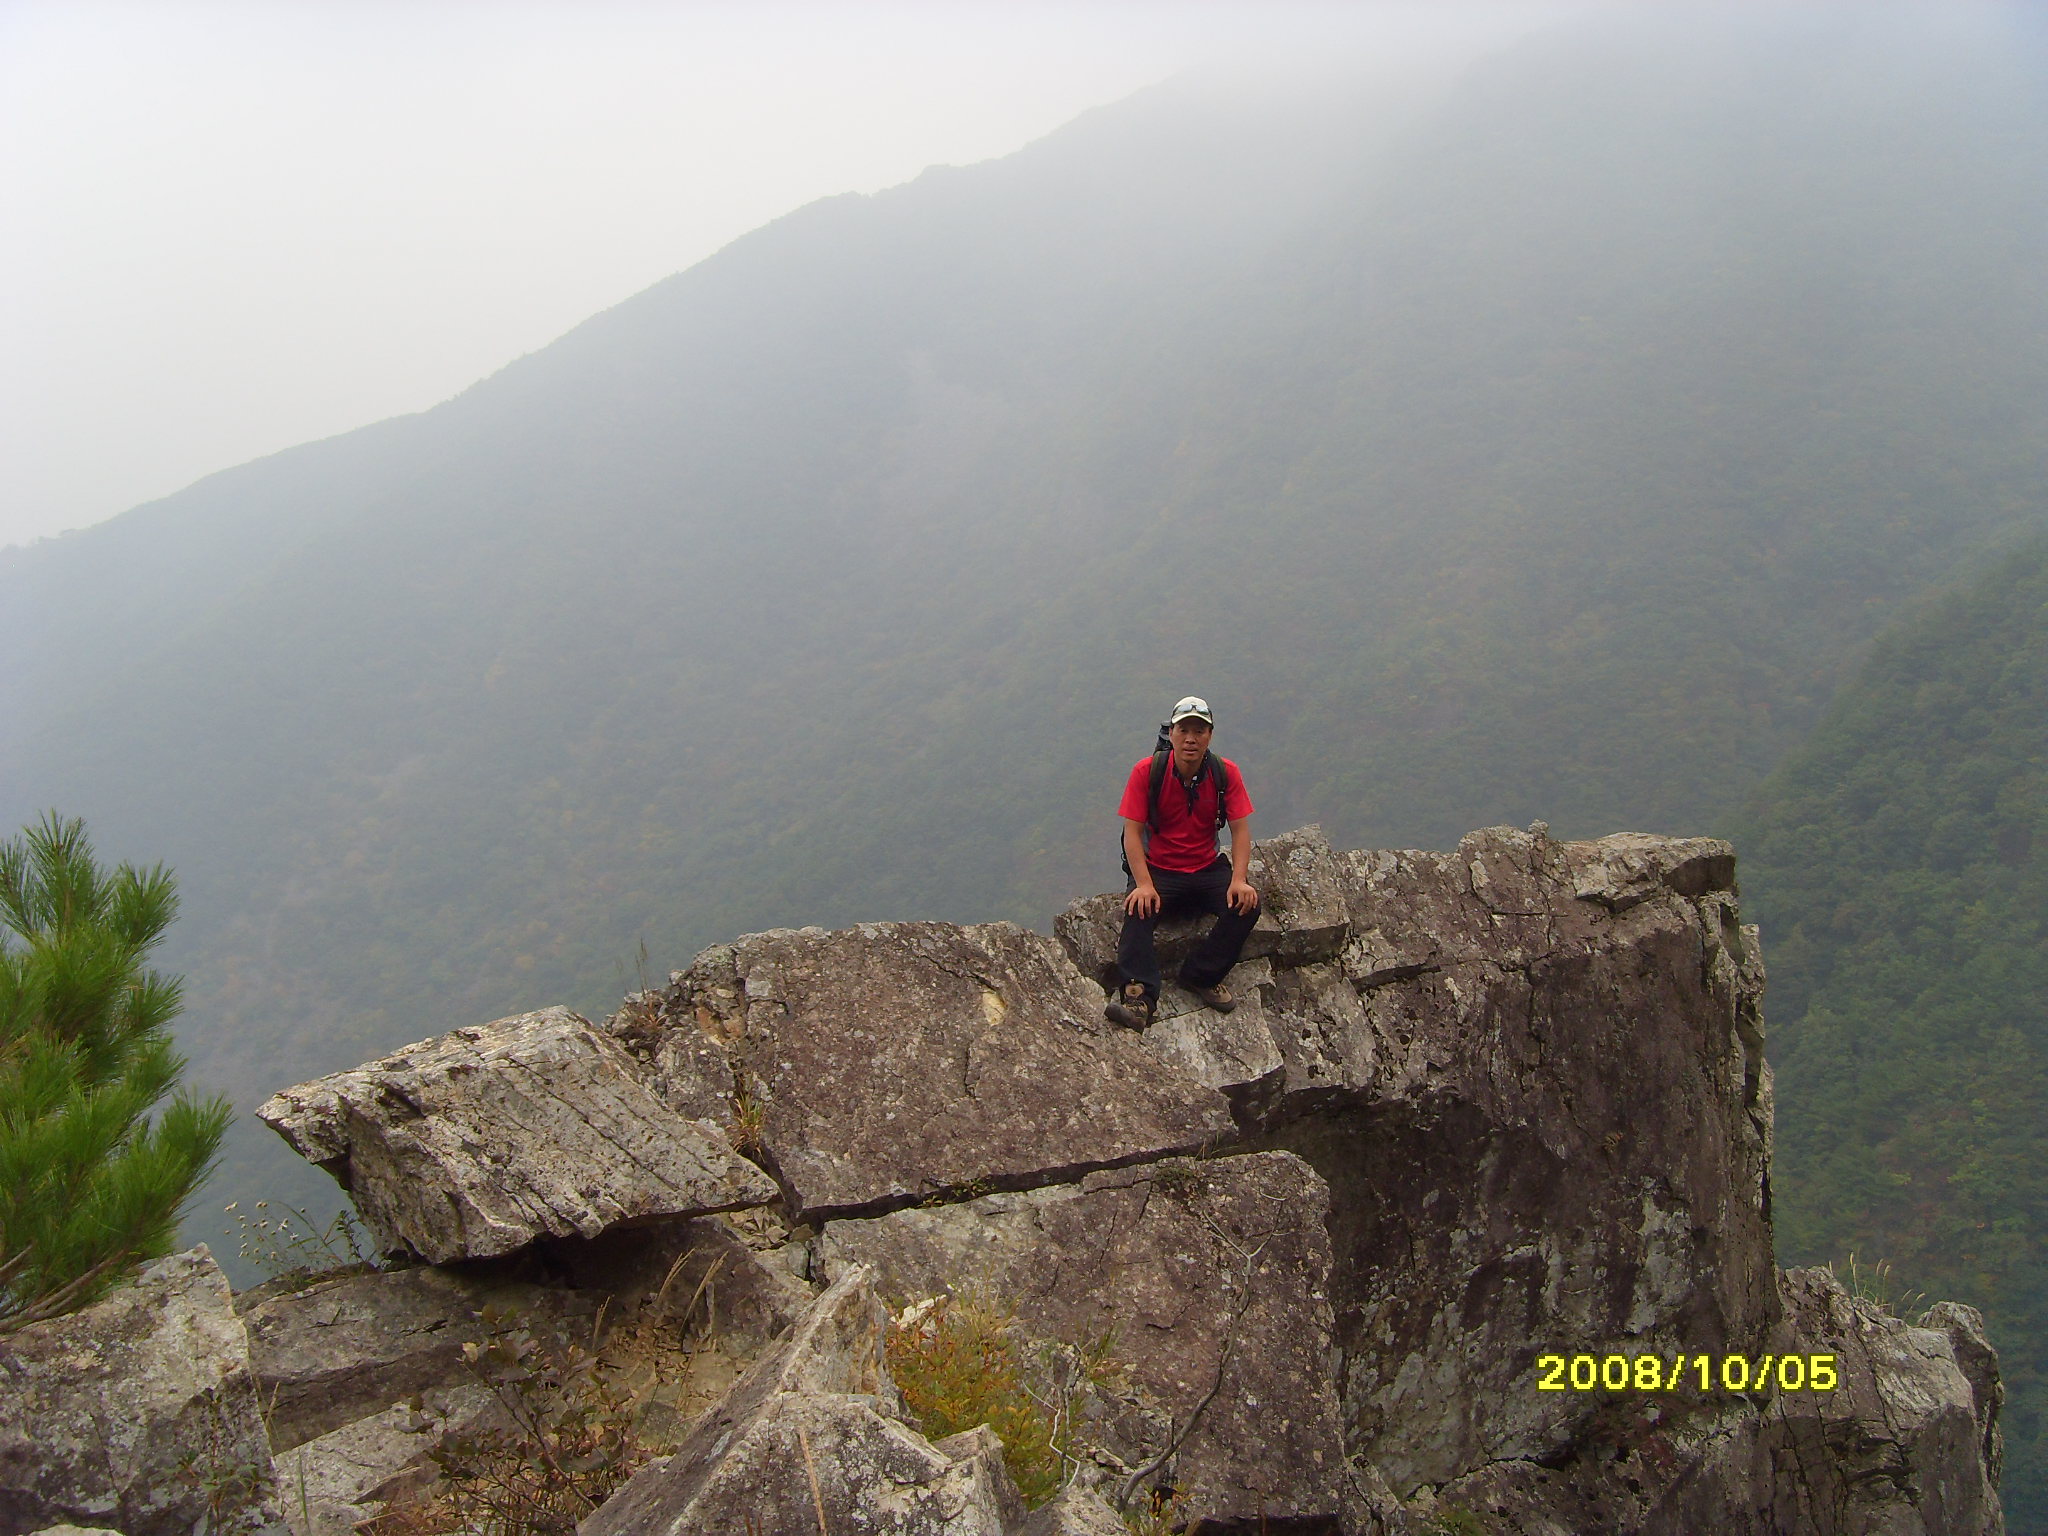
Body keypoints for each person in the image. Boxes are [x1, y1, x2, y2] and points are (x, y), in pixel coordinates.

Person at [1105, 696, 1259, 1031]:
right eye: (1183, 729)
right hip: (1160, 869)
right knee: (1137, 909)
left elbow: (1241, 829)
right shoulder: (1147, 772)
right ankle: (1139, 998)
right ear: (1171, 733)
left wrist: (1240, 879)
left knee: (1246, 906)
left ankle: (1200, 976)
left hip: (1206, 867)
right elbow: (1132, 833)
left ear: (1210, 736)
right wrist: (1143, 883)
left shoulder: (1224, 773)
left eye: (1199, 731)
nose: (1191, 738)